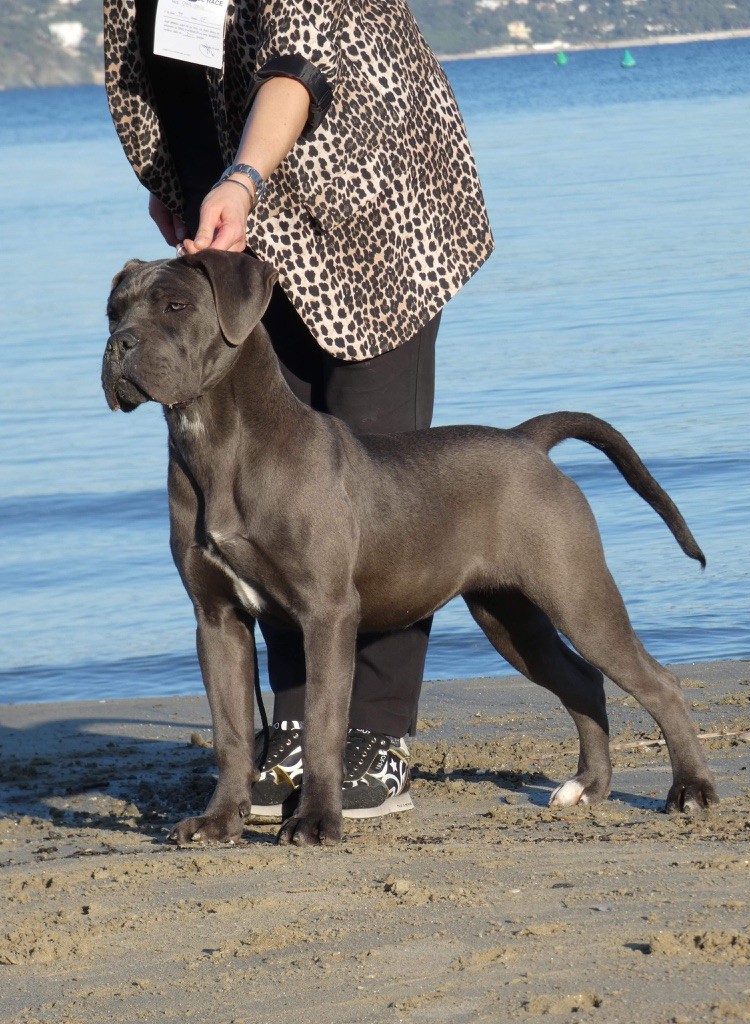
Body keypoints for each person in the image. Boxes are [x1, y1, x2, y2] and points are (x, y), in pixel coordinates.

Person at [103, 0, 494, 818]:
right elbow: (155, 72)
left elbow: (301, 63)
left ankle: (378, 742)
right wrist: (173, 179)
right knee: (273, 491)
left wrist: (241, 177)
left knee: (376, 476)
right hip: (238, 233)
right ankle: (298, 730)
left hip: (367, 210)